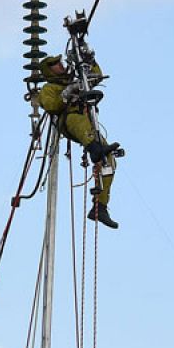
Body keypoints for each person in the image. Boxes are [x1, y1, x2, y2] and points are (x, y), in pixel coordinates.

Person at [36, 54, 122, 229]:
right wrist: (67, 93)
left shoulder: (77, 80)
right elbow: (51, 105)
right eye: (55, 64)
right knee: (80, 123)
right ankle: (94, 149)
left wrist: (90, 61)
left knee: (109, 161)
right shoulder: (49, 88)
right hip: (69, 120)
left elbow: (95, 77)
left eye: (60, 62)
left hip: (89, 124)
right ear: (49, 70)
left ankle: (101, 206)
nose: (60, 65)